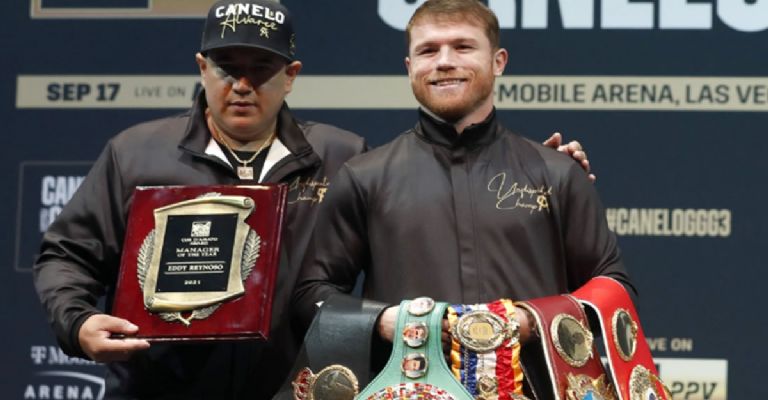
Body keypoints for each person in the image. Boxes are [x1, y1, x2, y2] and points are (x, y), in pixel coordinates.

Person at [32, 1, 593, 399]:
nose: (242, 84)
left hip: (296, 388)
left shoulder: (341, 155)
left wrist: (532, 168)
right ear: (202, 69)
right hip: (158, 387)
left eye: (261, 69)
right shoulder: (135, 153)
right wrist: (78, 323)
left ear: (291, 75)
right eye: (227, 67)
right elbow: (66, 255)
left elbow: (427, 200)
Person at [291, 0, 633, 397]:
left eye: (463, 47)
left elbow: (614, 288)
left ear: (498, 62)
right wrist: (382, 321)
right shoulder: (364, 175)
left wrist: (533, 321)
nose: (444, 61)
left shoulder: (557, 172)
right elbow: (311, 294)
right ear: (410, 67)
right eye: (428, 50)